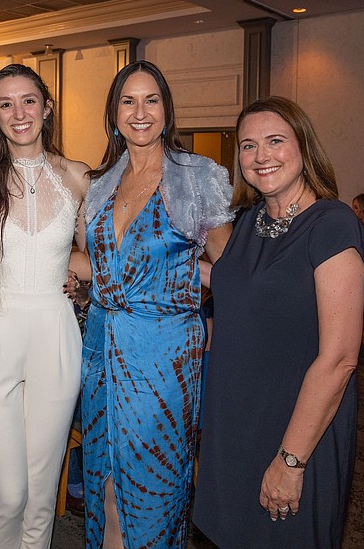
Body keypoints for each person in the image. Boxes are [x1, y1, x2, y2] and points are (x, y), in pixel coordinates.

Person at [193, 96, 364, 547]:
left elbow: (339, 359)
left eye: (275, 141)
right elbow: (235, 286)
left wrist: (290, 460)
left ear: (303, 147)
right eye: (248, 145)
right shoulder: (251, 221)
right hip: (236, 421)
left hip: (295, 427)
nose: (262, 156)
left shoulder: (331, 224)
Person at [68, 60, 233, 548]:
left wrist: (188, 277)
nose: (140, 112)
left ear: (167, 109)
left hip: (162, 357)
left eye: (151, 100)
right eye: (128, 100)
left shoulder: (197, 176)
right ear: (113, 113)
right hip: (101, 348)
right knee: (106, 485)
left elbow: (229, 272)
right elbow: (100, 265)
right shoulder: (101, 183)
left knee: (153, 488)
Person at [0, 63, 89, 548]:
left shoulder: (77, 176)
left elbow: (98, 257)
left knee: (39, 493)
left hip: (55, 336)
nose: (19, 112)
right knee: (8, 492)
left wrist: (78, 279)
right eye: (5, 104)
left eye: (29, 100)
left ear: (47, 107)